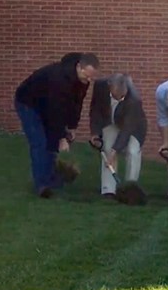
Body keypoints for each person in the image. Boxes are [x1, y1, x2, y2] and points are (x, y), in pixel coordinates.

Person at [14, 52, 99, 198]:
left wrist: (72, 126)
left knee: (51, 141)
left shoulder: (83, 81)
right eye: (87, 76)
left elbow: (76, 104)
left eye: (92, 77)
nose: (89, 80)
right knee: (39, 142)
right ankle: (42, 185)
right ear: (79, 67)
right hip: (28, 103)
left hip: (47, 105)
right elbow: (55, 111)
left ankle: (51, 179)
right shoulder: (59, 79)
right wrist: (62, 138)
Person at [89, 73, 147, 199]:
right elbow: (95, 110)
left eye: (122, 97)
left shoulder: (134, 100)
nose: (120, 98)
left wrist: (115, 151)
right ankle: (108, 190)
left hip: (132, 126)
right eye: (117, 96)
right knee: (107, 149)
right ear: (110, 87)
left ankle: (130, 188)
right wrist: (95, 132)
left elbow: (127, 129)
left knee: (133, 151)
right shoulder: (100, 86)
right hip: (110, 122)